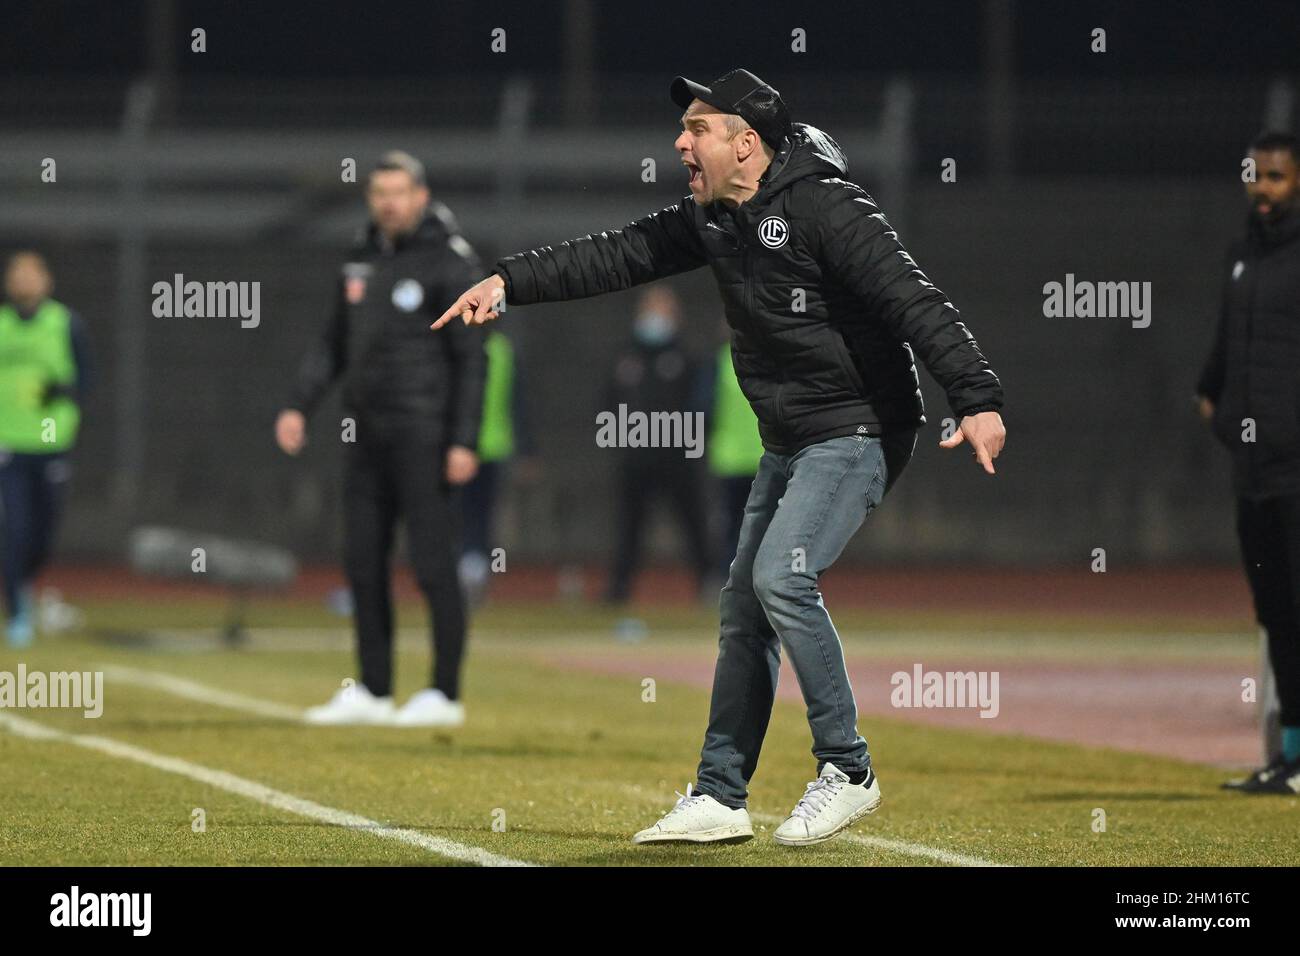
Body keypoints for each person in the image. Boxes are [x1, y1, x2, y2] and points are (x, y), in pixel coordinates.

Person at [436, 69, 1005, 844]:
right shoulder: (714, 216)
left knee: (782, 577)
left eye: (697, 129)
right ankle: (719, 795)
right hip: (791, 437)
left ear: (747, 144)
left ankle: (849, 768)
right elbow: (619, 254)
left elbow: (914, 298)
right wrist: (508, 280)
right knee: (743, 608)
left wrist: (975, 398)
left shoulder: (826, 205)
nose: (680, 142)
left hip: (860, 426)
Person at [277, 151, 487, 727]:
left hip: (425, 434)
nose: (389, 203)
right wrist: (300, 404)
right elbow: (334, 341)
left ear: (420, 195)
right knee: (362, 560)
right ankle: (373, 689)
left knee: (432, 564)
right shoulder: (360, 256)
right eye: (379, 193)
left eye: (399, 192)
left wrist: (463, 439)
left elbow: (473, 359)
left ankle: (444, 693)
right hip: (366, 433)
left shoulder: (451, 258)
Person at [1197, 130, 1300, 795]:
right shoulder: (1242, 255)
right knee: (1276, 613)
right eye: (1255, 175)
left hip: (1298, 471)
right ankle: (1290, 756)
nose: (1262, 188)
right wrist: (1215, 403)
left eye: (1276, 178)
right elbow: (1225, 351)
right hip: (1254, 471)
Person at [0, 252, 91, 648]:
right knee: (14, 529)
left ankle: (24, 583)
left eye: (31, 273)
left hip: (52, 444)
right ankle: (18, 611)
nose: (24, 280)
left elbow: (87, 379)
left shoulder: (65, 323)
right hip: (9, 446)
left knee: (44, 532)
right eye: (16, 274)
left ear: (47, 280)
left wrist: (60, 391)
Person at [603, 285, 712, 603]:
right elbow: (609, 401)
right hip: (636, 456)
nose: (656, 318)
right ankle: (618, 590)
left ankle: (708, 583)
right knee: (629, 527)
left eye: (663, 311)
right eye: (651, 310)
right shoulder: (626, 356)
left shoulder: (686, 357)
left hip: (676, 455)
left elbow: (700, 405)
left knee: (693, 523)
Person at [458, 327, 538, 606]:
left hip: (477, 448)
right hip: (479, 448)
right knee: (476, 516)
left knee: (475, 516)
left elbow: (518, 402)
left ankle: (473, 575)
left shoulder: (498, 349)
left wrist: (527, 448)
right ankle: (470, 573)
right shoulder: (501, 348)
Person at [705, 321, 765, 582]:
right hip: (759, 458)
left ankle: (731, 582)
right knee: (755, 527)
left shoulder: (720, 363)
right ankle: (748, 582)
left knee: (734, 529)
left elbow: (703, 407)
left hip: (734, 458)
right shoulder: (771, 361)